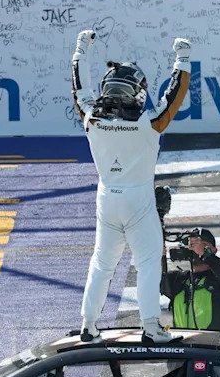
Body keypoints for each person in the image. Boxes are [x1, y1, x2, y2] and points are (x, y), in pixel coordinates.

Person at [72, 29, 191, 345]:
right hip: (138, 199)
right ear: (136, 93)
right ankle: (151, 327)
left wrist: (81, 49)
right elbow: (175, 95)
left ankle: (88, 325)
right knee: (148, 263)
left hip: (106, 198)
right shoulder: (149, 122)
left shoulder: (91, 118)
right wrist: (183, 58)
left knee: (101, 264)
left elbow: (78, 86)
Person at [161, 227, 220, 331]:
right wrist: (156, 257)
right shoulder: (178, 280)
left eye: (202, 245)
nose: (196, 249)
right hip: (183, 340)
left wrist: (206, 255)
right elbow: (150, 281)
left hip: (214, 340)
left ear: (214, 250)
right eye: (192, 246)